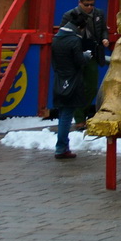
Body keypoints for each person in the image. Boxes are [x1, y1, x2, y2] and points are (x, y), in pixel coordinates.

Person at [50, 14, 93, 159]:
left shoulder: (56, 38)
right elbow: (79, 61)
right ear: (79, 27)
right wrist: (86, 56)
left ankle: (62, 147)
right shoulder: (74, 40)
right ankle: (61, 148)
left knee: (63, 113)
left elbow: (55, 62)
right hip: (72, 80)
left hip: (59, 79)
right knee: (67, 116)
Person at [66, 0, 108, 128]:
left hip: (92, 54)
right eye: (86, 5)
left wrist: (104, 38)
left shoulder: (99, 14)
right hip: (76, 54)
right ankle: (79, 118)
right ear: (80, 2)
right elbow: (63, 33)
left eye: (92, 4)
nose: (89, 7)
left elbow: (103, 30)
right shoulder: (70, 15)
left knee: (91, 87)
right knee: (78, 86)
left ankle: (81, 113)